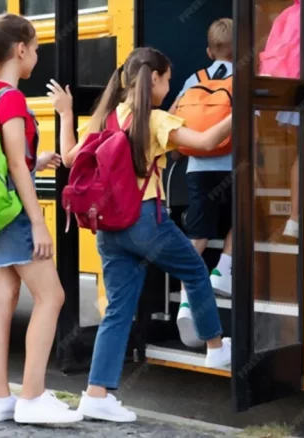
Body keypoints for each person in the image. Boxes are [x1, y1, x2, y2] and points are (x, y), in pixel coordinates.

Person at [47, 46, 233, 423]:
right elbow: (207, 143)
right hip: (146, 221)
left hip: (109, 229)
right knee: (196, 272)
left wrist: (66, 113)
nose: (168, 86)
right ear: (155, 79)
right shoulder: (156, 120)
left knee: (118, 310)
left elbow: (68, 158)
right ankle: (215, 346)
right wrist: (242, 110)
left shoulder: (105, 118)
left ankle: (96, 394)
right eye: (166, 79)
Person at [0, 12, 82, 424]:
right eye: (37, 49)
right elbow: (12, 163)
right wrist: (38, 222)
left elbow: (10, 159)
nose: (37, 57)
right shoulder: (11, 99)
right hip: (13, 216)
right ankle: (32, 396)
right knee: (53, 297)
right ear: (21, 50)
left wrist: (36, 161)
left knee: (2, 299)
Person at [168, 17, 234, 348]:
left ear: (209, 51)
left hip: (197, 167)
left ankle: (184, 299)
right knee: (249, 216)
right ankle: (224, 271)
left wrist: (179, 152)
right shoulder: (244, 79)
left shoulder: (196, 78)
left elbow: (174, 115)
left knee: (199, 233)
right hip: (235, 165)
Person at [257, 0, 301, 239]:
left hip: (292, 89)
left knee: (302, 155)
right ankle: (295, 216)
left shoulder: (288, 14)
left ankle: (295, 217)